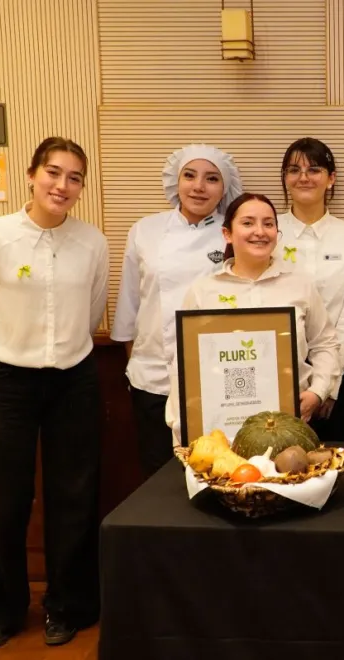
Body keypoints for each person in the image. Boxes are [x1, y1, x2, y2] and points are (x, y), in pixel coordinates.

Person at [0, 137, 108, 649]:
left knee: (74, 495)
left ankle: (69, 606)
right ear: (31, 175)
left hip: (74, 377)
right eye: (53, 173)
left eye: (74, 178)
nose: (62, 186)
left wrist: (63, 352)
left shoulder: (92, 241)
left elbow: (91, 311)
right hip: (6, 379)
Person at [166, 193, 340, 446]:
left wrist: (318, 391)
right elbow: (183, 364)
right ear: (227, 234)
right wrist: (183, 426)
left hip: (289, 428)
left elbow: (325, 343)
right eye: (248, 223)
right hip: (219, 432)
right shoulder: (203, 291)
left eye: (268, 224)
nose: (260, 231)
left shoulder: (300, 286)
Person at [111, 144, 242, 478]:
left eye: (211, 178)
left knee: (216, 474)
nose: (199, 186)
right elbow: (130, 302)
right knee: (159, 476)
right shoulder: (146, 230)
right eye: (190, 175)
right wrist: (135, 360)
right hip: (153, 375)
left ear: (224, 189)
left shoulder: (234, 233)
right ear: (176, 181)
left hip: (217, 379)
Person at [274, 138, 344, 442]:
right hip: (277, 375)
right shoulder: (269, 231)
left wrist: (328, 386)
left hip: (337, 378)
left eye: (314, 169)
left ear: (331, 178)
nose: (303, 177)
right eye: (293, 169)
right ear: (285, 179)